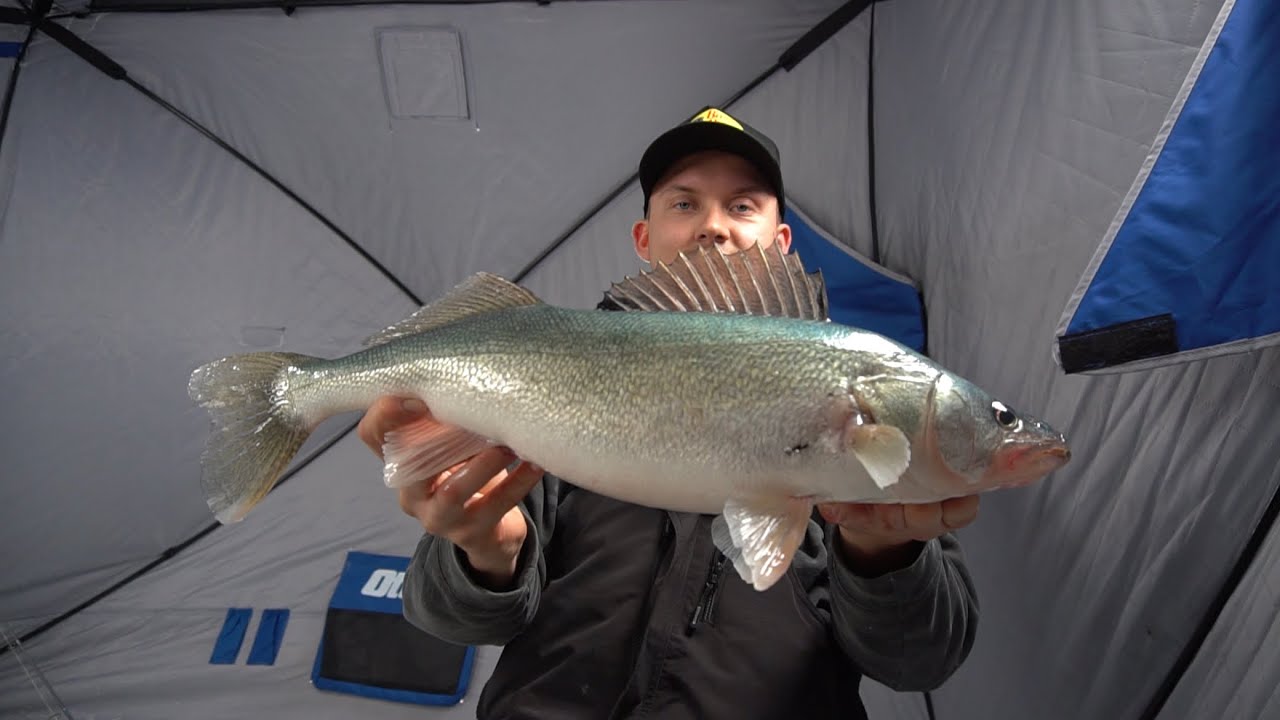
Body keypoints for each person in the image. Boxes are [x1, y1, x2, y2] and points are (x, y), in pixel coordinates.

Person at [357, 107, 980, 719]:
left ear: (781, 241)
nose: (714, 226)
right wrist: (480, 551)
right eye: (684, 203)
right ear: (644, 238)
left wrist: (883, 555)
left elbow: (920, 663)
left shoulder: (861, 401)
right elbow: (446, 617)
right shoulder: (538, 376)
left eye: (743, 205)